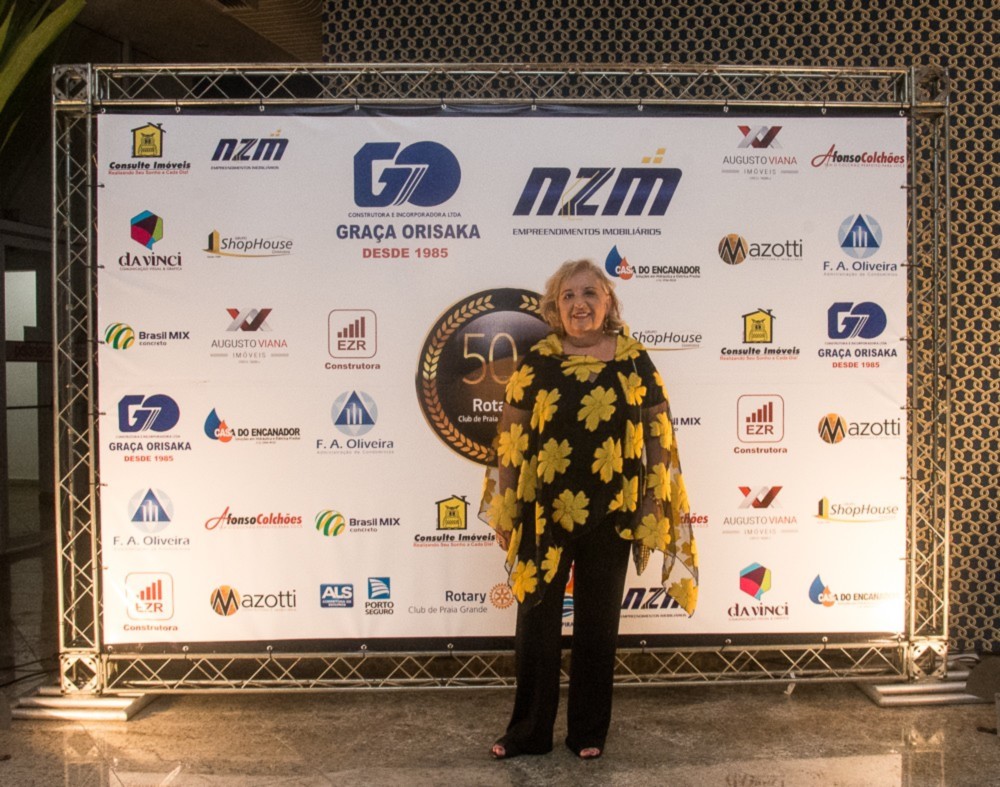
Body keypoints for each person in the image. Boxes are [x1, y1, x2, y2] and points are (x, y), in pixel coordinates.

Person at [480, 258, 698, 760]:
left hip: (613, 510)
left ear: (608, 302)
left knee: (598, 625)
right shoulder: (538, 361)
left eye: (590, 293)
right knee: (536, 623)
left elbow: (658, 433)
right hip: (541, 512)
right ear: (555, 307)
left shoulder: (634, 360)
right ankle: (528, 733)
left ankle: (588, 732)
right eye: (568, 295)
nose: (579, 304)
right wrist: (506, 508)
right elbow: (510, 437)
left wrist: (651, 500)